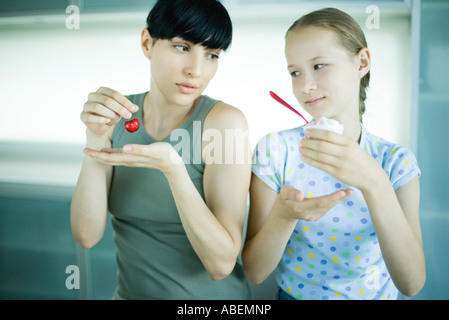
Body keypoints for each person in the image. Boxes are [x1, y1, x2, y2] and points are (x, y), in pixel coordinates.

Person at [70, 0, 251, 300]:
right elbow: (86, 236)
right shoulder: (118, 115)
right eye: (182, 47)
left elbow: (221, 265)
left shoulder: (224, 123)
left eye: (211, 55)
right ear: (147, 43)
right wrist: (95, 137)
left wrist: (173, 170)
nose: (196, 70)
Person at [242, 8, 425, 300]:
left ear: (361, 62)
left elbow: (412, 283)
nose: (305, 86)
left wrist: (375, 183)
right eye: (295, 72)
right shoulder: (275, 151)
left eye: (320, 66)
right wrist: (284, 216)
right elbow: (254, 271)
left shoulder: (396, 162)